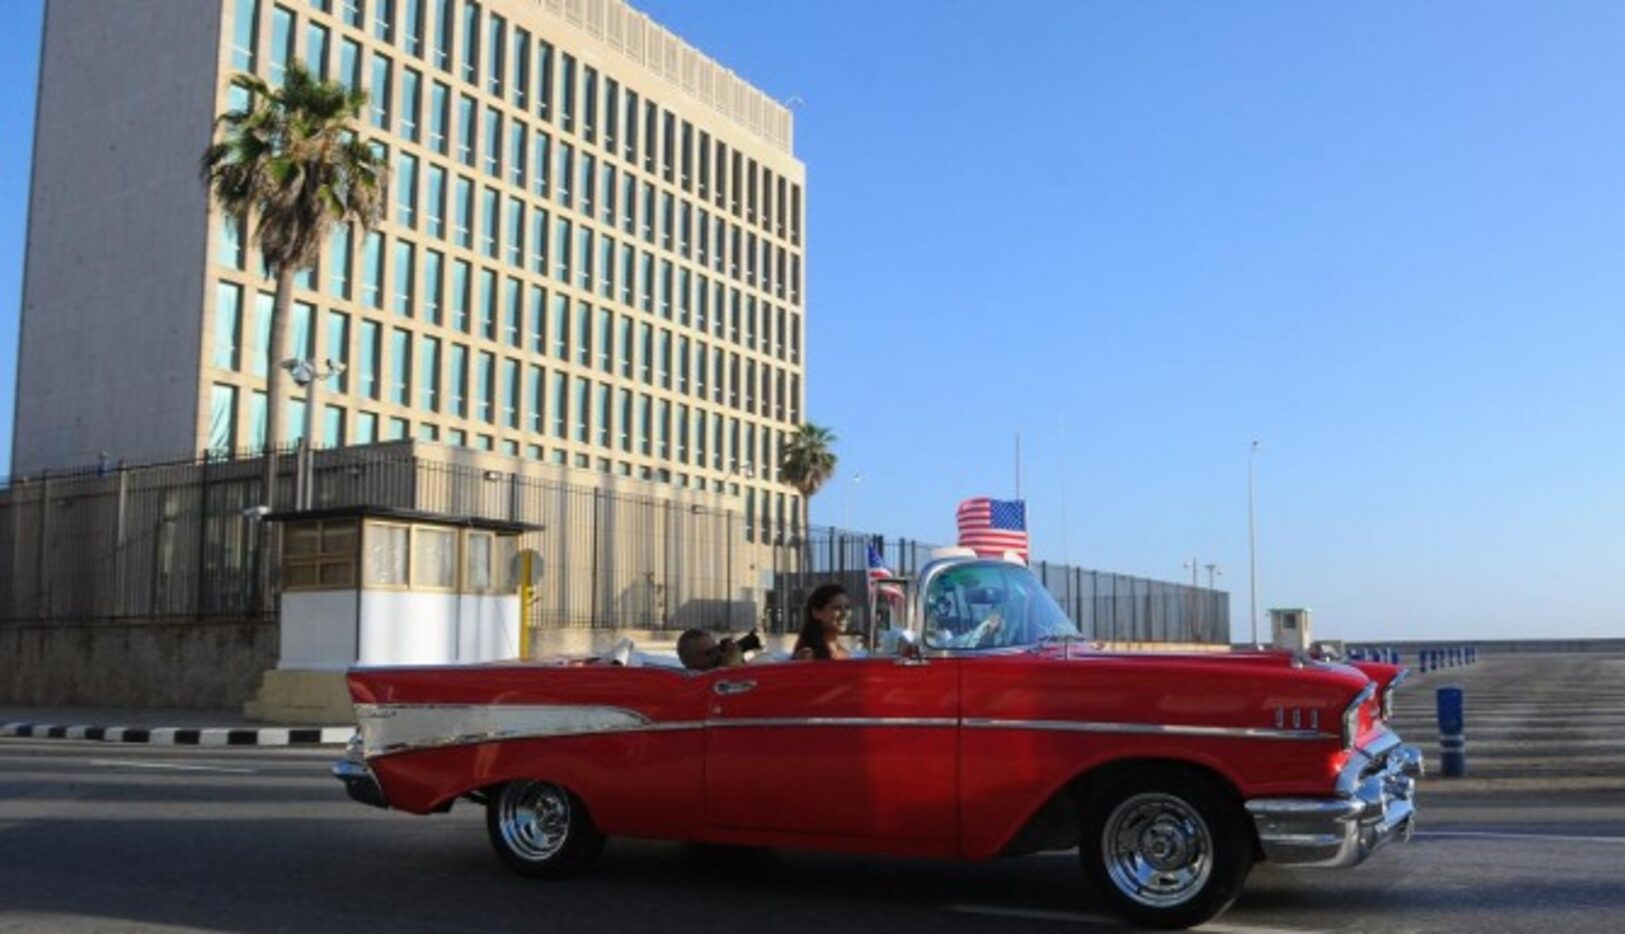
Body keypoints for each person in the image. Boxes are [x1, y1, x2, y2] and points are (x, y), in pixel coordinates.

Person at [792, 583, 853, 660]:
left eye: (847, 607)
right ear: (816, 613)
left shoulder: (844, 653)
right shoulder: (808, 656)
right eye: (837, 608)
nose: (845, 613)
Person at [677, 628, 761, 671]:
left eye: (717, 649)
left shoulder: (718, 670)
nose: (717, 655)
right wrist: (732, 668)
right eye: (709, 653)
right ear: (690, 660)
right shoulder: (692, 681)